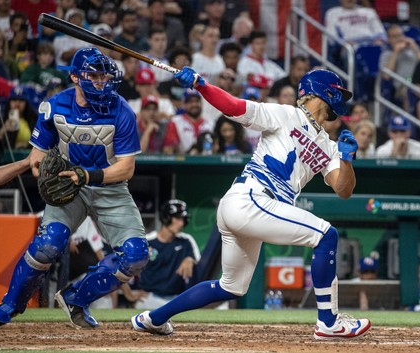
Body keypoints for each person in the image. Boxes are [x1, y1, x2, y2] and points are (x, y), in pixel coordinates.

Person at [131, 66, 371, 339]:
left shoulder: (329, 145)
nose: (341, 99)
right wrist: (201, 85)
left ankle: (153, 318)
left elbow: (343, 189)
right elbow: (234, 107)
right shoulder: (285, 113)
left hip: (249, 207)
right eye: (337, 92)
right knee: (326, 235)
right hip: (253, 198)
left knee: (231, 286)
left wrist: (347, 159)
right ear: (322, 91)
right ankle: (329, 323)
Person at [0, 47, 149, 330]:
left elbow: (126, 168)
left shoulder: (121, 109)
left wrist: (87, 175)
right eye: (92, 75)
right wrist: (38, 166)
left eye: (104, 76)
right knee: (48, 245)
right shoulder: (54, 106)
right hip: (66, 186)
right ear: (74, 76)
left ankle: (76, 298)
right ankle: (10, 304)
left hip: (109, 186)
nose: (100, 81)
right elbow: (36, 156)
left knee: (136, 255)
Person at [134, 199, 201, 309]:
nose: (182, 223)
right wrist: (129, 293)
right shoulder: (146, 241)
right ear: (166, 217)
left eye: (183, 219)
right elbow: (125, 267)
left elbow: (200, 264)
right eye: (178, 218)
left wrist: (190, 259)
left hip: (176, 299)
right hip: (149, 298)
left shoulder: (186, 241)